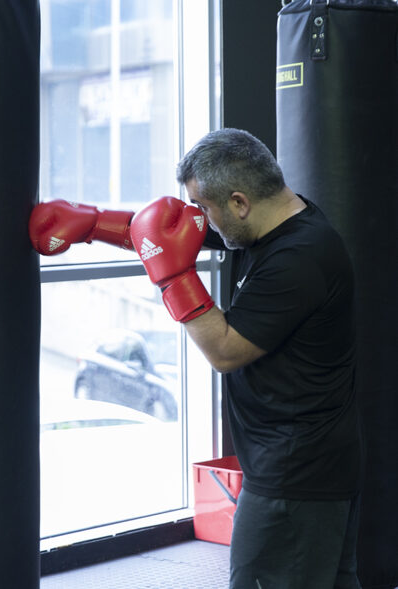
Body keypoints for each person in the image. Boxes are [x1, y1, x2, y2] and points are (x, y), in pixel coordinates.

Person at [29, 128, 363, 588]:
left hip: (295, 477)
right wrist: (92, 223)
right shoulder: (271, 220)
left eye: (205, 208)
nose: (199, 219)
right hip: (308, 464)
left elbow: (225, 350)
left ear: (240, 202)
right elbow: (167, 233)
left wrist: (173, 277)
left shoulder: (299, 258)